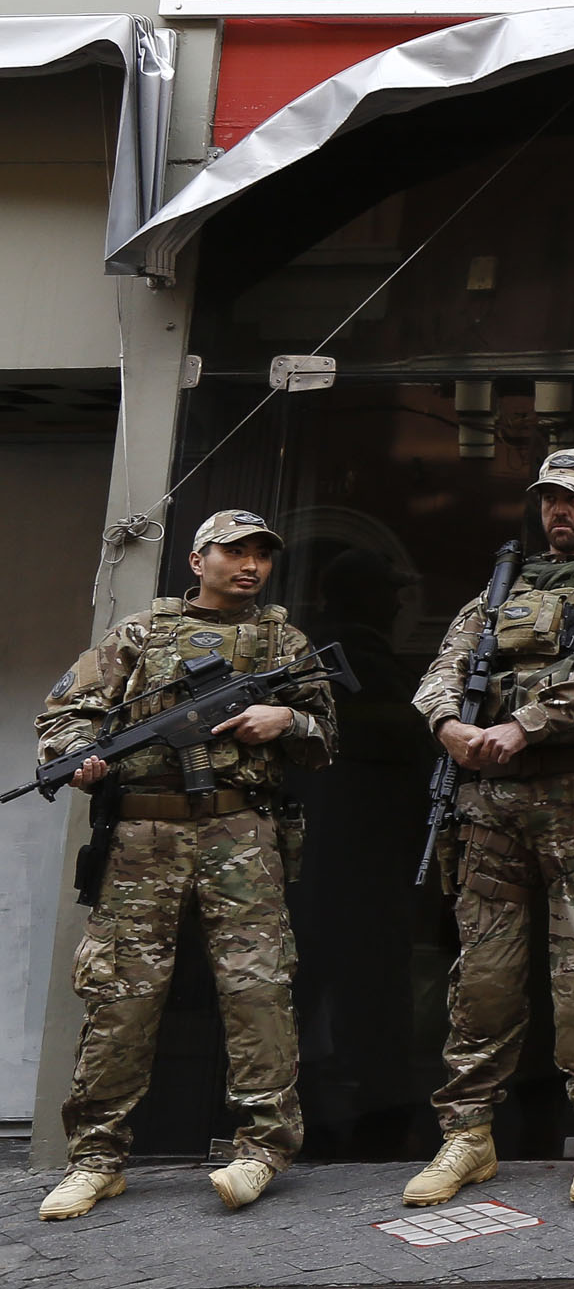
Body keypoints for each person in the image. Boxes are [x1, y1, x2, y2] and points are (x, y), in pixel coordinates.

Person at [34, 509, 336, 1219]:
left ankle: (262, 1149)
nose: (250, 565)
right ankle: (97, 1158)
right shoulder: (139, 634)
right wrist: (76, 761)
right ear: (198, 559)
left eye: (261, 553)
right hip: (143, 837)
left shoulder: (283, 640)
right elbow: (63, 716)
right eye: (234, 551)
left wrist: (286, 720)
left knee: (257, 991)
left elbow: (325, 739)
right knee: (120, 995)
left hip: (240, 831)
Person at [400, 448, 574, 1210]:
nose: (560, 511)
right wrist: (447, 723)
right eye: (550, 498)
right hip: (491, 807)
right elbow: (444, 664)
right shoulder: (503, 586)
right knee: (483, 978)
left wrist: (524, 722)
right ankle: (468, 1134)